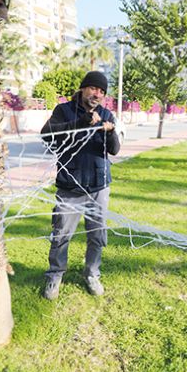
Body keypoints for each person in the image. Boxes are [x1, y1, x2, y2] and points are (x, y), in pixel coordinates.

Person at [40, 71, 121, 299]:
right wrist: (82, 122)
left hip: (99, 186)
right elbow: (47, 135)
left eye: (102, 92)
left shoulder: (106, 114)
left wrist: (111, 131)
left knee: (97, 235)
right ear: (83, 88)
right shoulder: (63, 110)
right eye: (94, 88)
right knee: (61, 234)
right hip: (70, 186)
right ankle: (55, 275)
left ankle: (92, 274)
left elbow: (114, 150)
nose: (98, 94)